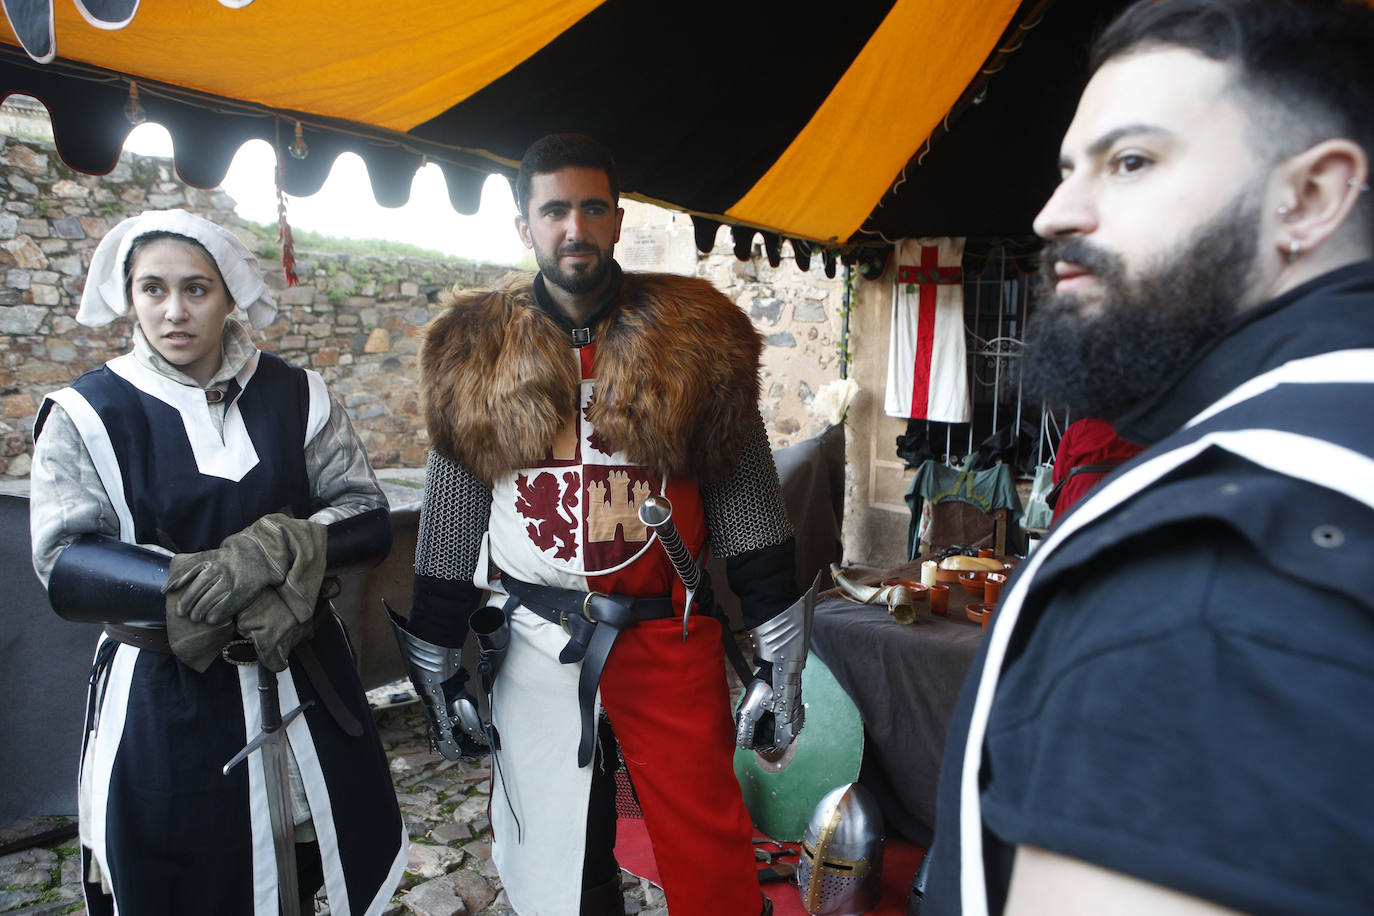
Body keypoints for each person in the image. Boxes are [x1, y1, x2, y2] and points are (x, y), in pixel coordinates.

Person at [921, 1, 1374, 914]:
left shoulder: (1203, 578)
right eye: (1065, 170)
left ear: (1311, 197)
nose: (1053, 215)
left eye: (1131, 161)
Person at [389, 133, 813, 916]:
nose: (573, 227)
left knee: (709, 853)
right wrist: (437, 656)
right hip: (533, 642)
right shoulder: (474, 349)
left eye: (591, 208)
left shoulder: (699, 338)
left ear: (616, 220)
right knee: (554, 852)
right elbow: (453, 518)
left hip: (669, 637)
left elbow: (746, 504)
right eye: (554, 210)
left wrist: (779, 658)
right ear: (527, 227)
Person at [29, 209, 407, 915]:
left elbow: (366, 513)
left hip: (299, 671)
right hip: (164, 690)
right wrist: (195, 588)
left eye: (197, 289)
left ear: (230, 294)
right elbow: (65, 562)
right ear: (128, 294)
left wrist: (283, 548)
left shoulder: (298, 394)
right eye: (152, 289)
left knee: (306, 853)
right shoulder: (85, 411)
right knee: (181, 871)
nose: (174, 311)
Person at [1046, 417, 1143, 522]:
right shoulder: (1140, 428)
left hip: (1079, 492)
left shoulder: (1080, 427)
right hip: (1126, 489)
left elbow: (1058, 476)